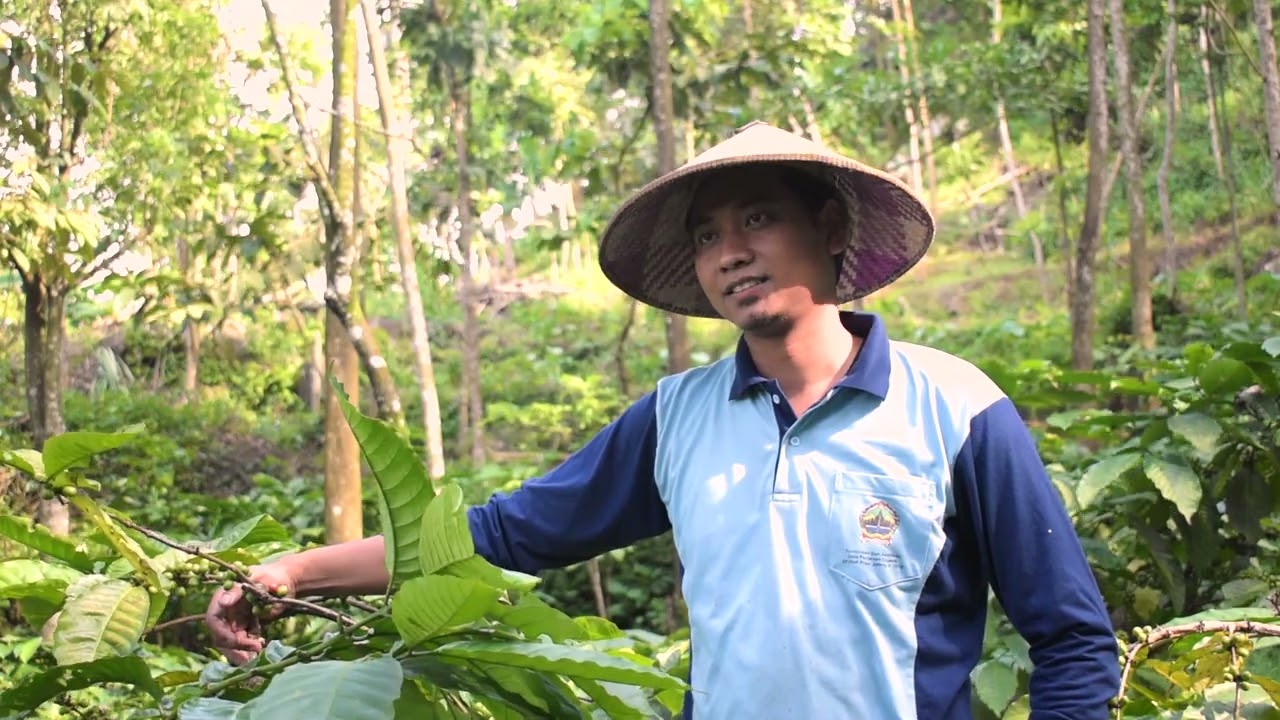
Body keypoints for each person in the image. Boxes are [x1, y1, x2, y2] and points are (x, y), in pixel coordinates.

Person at [207, 121, 1120, 718]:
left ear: (832, 227)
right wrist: (294, 571)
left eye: (758, 220)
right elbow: (502, 535)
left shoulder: (956, 407)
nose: (730, 254)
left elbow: (1072, 638)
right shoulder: (677, 419)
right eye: (706, 235)